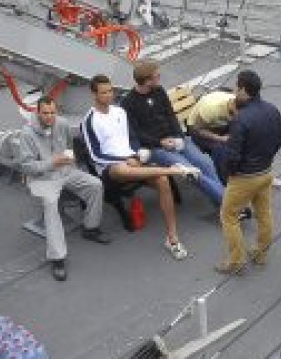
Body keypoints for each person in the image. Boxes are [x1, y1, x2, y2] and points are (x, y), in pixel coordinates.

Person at [79, 74, 198, 261]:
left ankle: (173, 238)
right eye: (104, 93)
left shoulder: (120, 112)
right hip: (111, 168)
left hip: (134, 162)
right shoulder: (89, 121)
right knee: (121, 169)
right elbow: (95, 155)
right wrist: (125, 159)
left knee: (163, 181)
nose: (109, 95)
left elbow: (133, 138)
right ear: (94, 94)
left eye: (110, 91)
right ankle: (175, 169)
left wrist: (135, 154)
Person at [19, 96, 111, 282]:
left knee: (95, 185)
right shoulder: (27, 134)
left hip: (65, 171)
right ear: (37, 112)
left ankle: (90, 228)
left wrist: (70, 160)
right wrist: (52, 162)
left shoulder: (62, 124)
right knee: (50, 205)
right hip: (43, 179)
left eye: (53, 112)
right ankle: (57, 257)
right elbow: (27, 167)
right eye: (45, 113)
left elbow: (69, 146)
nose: (49, 117)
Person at [120, 59, 226, 207]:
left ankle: (221, 200)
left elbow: (170, 115)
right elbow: (136, 133)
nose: (160, 77)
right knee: (190, 171)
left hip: (175, 138)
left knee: (205, 163)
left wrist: (179, 136)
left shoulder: (159, 91)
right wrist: (160, 142)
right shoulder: (128, 103)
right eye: (157, 76)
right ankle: (228, 203)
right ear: (147, 81)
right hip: (156, 147)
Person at [217, 69, 281, 274]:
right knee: (264, 213)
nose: (234, 90)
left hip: (244, 177)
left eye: (237, 87)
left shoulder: (241, 119)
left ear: (243, 90)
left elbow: (233, 155)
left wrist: (230, 173)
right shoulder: (273, 110)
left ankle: (236, 261)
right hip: (266, 172)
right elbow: (279, 141)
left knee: (229, 216)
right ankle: (260, 253)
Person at [185, 88, 238, 175]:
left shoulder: (239, 103)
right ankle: (223, 177)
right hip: (197, 128)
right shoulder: (212, 108)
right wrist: (220, 138)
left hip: (218, 124)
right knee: (220, 149)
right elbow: (198, 129)